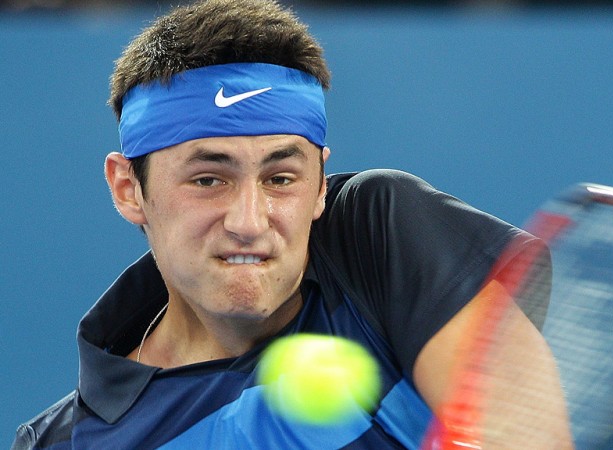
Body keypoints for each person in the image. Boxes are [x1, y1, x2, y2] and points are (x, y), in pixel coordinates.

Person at [12, 0, 572, 448]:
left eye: (281, 179)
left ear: (321, 185)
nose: (250, 222)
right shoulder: (64, 442)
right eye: (209, 179)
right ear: (128, 189)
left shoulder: (377, 236)